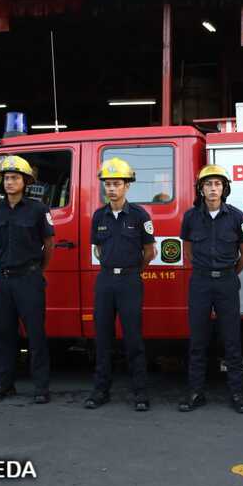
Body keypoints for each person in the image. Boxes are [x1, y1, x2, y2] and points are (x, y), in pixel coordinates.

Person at [0, 155, 54, 404]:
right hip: (2, 279)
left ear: (25, 181)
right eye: (7, 178)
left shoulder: (38, 210)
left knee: (36, 335)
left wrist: (36, 269)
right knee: (3, 333)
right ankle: (4, 385)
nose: (10, 182)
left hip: (29, 278)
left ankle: (41, 388)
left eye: (15, 178)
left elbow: (49, 244)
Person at [178, 165, 243, 414]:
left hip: (226, 282)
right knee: (198, 341)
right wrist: (206, 272)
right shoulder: (190, 217)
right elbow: (187, 251)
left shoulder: (237, 217)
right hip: (200, 283)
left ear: (224, 188)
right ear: (201, 189)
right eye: (208, 184)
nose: (213, 188)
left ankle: (237, 394)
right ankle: (195, 393)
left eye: (218, 184)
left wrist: (227, 274)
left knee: (231, 341)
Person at [85, 157, 156, 411]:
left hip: (129, 281)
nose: (111, 188)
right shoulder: (98, 215)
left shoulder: (139, 215)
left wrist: (133, 270)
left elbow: (150, 251)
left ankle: (140, 394)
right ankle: (100, 391)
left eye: (116, 184)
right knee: (102, 338)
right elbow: (97, 249)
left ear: (127, 187)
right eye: (108, 184)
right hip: (105, 281)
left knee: (133, 339)